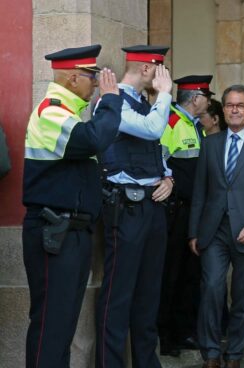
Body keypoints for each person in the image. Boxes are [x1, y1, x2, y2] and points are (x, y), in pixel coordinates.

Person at [22, 44, 121, 368]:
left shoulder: (68, 114)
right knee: (52, 324)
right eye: (91, 76)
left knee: (62, 325)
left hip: (70, 232)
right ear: (72, 77)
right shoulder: (50, 110)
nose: (95, 83)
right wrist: (109, 102)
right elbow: (93, 140)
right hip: (55, 231)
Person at [189, 84, 244, 368]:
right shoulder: (210, 143)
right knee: (212, 289)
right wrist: (193, 231)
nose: (235, 109)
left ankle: (236, 354)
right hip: (214, 230)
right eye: (229, 105)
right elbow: (200, 192)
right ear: (223, 110)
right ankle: (212, 352)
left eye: (240, 105)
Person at [95, 45, 174, 367]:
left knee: (147, 295)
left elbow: (156, 147)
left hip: (152, 207)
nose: (163, 76)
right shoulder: (109, 102)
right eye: (161, 70)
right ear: (147, 70)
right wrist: (165, 94)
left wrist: (167, 176)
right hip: (125, 208)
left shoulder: (144, 102)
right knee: (118, 296)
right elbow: (151, 129)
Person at [158, 75, 214, 356]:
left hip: (194, 211)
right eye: (206, 96)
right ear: (195, 98)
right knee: (171, 274)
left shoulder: (196, 127)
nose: (209, 101)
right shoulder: (171, 122)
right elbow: (160, 160)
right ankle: (165, 336)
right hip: (175, 211)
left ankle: (183, 332)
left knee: (190, 275)